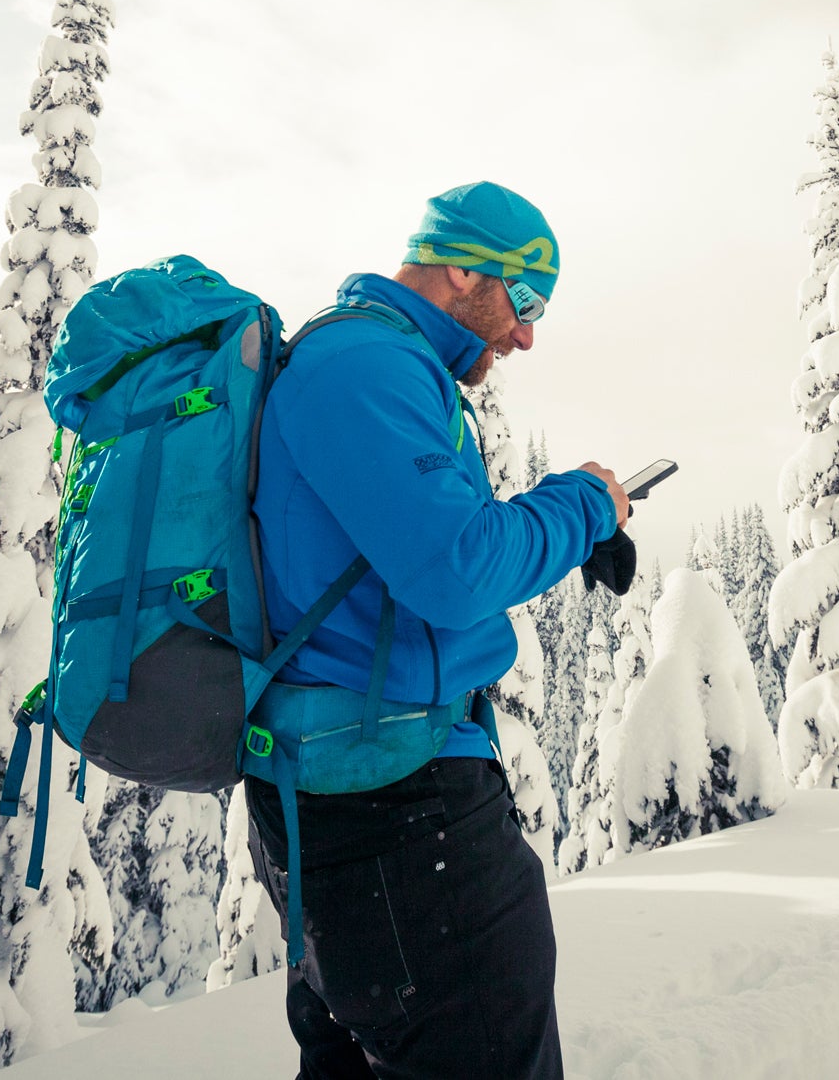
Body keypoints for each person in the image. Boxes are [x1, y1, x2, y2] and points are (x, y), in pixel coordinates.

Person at [244, 181, 628, 1079]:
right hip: (396, 815)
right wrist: (581, 504)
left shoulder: (381, 364)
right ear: (463, 269)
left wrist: (583, 528)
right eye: (524, 302)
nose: (528, 335)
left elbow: (413, 558)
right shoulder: (364, 367)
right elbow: (457, 567)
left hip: (356, 797)